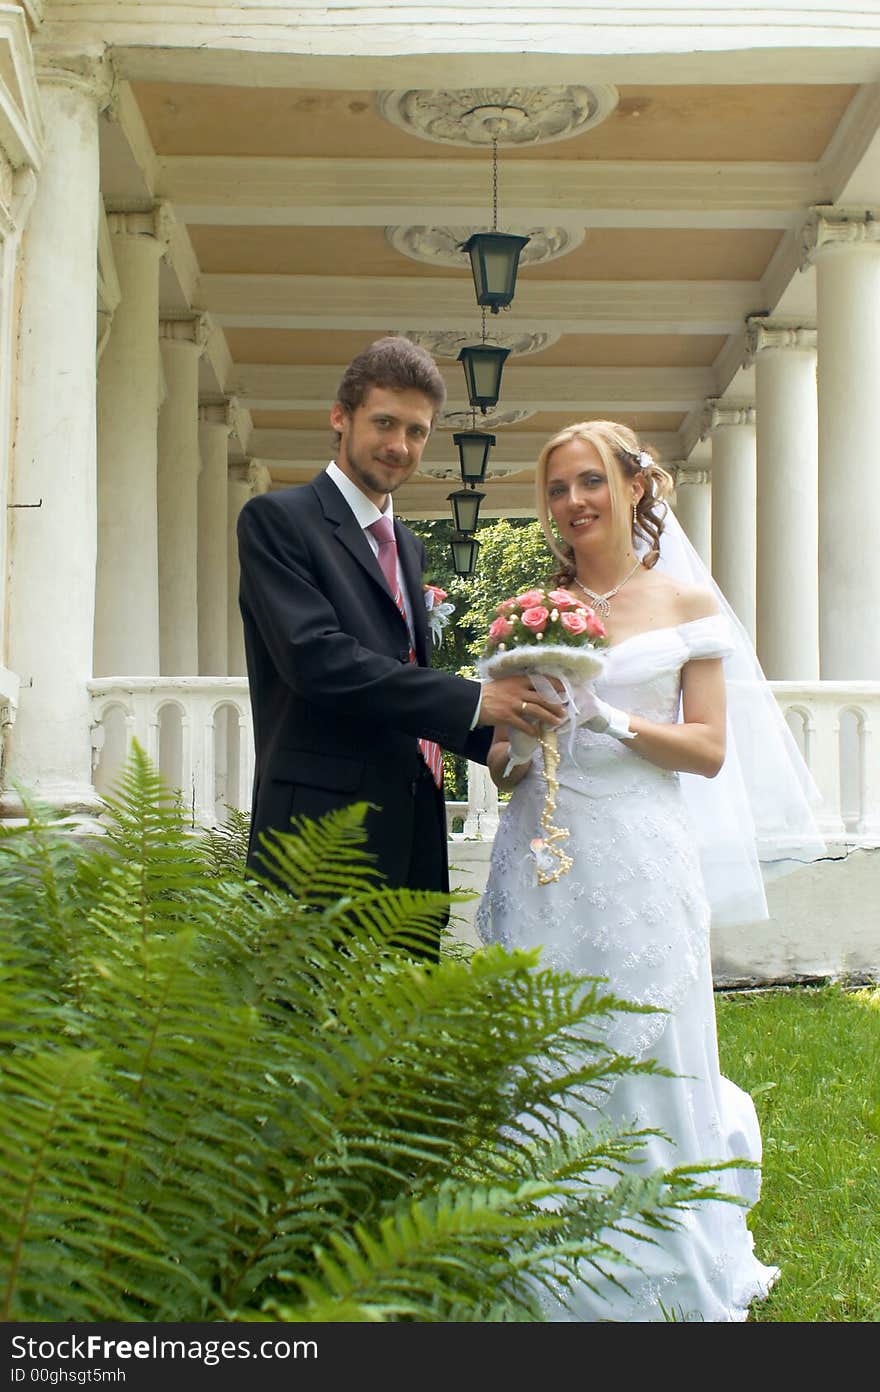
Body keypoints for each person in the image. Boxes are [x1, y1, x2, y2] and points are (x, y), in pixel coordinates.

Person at [476, 419, 823, 1321]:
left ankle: (658, 1252)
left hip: (636, 852)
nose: (573, 503)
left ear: (635, 486)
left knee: (644, 1036)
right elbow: (504, 763)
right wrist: (522, 736)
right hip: (540, 854)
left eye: (590, 481)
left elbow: (707, 749)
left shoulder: (682, 604)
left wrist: (609, 719)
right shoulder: (529, 609)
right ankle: (539, 1255)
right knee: (544, 1042)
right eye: (557, 490)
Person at [236, 336, 564, 954]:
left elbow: (405, 678)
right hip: (318, 835)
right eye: (384, 423)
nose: (400, 446)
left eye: (417, 432)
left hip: (411, 828)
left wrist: (503, 735)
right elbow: (318, 660)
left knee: (401, 1035)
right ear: (341, 416)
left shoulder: (407, 545)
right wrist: (476, 703)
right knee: (311, 1029)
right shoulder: (277, 521)